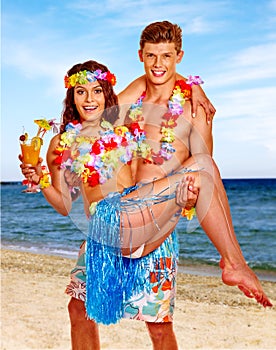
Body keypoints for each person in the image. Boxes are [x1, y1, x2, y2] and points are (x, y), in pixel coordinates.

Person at [64, 21, 272, 350]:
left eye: (166, 56)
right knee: (79, 308)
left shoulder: (195, 110)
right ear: (141, 56)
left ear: (179, 56)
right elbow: (94, 116)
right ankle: (233, 263)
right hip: (119, 214)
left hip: (158, 221)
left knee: (159, 327)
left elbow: (205, 181)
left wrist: (187, 201)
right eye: (151, 56)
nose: (158, 64)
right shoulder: (134, 94)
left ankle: (234, 263)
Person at [20, 59, 215, 349]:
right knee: (79, 309)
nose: (90, 99)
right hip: (100, 236)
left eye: (97, 91)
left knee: (158, 324)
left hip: (144, 226)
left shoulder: (121, 124)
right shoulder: (60, 143)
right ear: (71, 97)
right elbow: (63, 204)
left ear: (107, 93)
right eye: (81, 91)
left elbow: (151, 78)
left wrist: (195, 87)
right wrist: (42, 179)